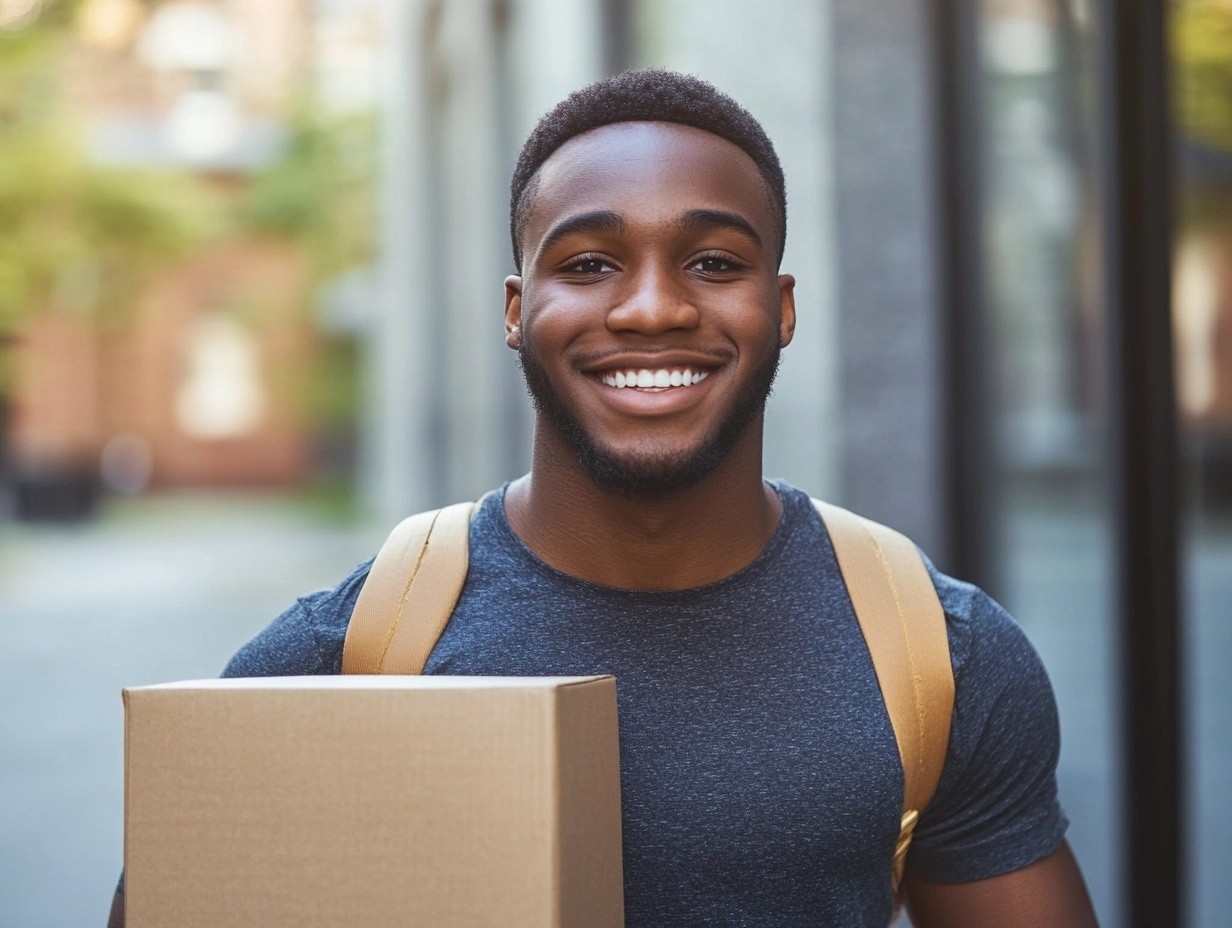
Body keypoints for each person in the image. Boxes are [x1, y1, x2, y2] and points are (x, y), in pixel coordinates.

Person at [109, 69, 1097, 927]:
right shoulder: (342, 657)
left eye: (713, 261)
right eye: (587, 264)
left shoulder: (939, 655)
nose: (652, 306)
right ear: (515, 310)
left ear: (781, 308)